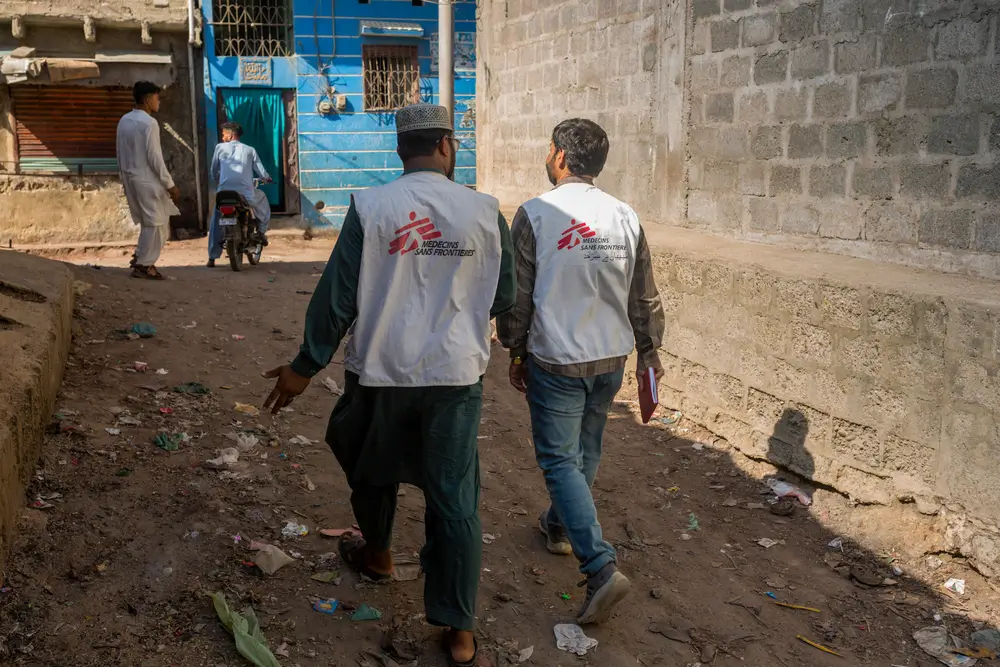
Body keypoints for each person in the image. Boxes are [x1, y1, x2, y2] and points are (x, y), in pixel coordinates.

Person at [262, 104, 515, 667]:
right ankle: (460, 632)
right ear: (448, 146)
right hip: (454, 377)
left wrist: (305, 366)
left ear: (401, 151)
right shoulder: (485, 212)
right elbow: (505, 296)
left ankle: (378, 554)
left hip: (379, 371)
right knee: (454, 500)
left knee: (371, 467)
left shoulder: (372, 207)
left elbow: (338, 295)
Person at [497, 118, 665, 625]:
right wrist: (649, 353)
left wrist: (515, 349)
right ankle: (559, 526)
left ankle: (600, 565)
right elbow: (645, 296)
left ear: (561, 157)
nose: (548, 157)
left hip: (558, 359)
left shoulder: (535, 213)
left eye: (550, 150)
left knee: (558, 460)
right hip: (610, 359)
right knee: (585, 451)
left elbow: (517, 295)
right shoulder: (625, 216)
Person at [117, 81, 179, 280]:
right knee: (156, 223)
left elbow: (119, 153)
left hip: (131, 178)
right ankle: (144, 264)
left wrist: (124, 178)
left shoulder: (124, 120)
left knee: (150, 222)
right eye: (156, 97)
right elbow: (155, 157)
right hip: (147, 180)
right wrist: (170, 184)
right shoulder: (149, 123)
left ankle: (142, 257)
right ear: (146, 99)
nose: (158, 101)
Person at [207, 121, 273, 267]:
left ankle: (212, 257)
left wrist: (220, 181)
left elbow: (213, 171)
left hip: (224, 194)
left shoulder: (219, 148)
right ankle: (261, 232)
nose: (223, 137)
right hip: (245, 196)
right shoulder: (250, 150)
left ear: (230, 135)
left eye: (224, 134)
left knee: (215, 220)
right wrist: (267, 179)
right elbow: (261, 171)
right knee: (261, 198)